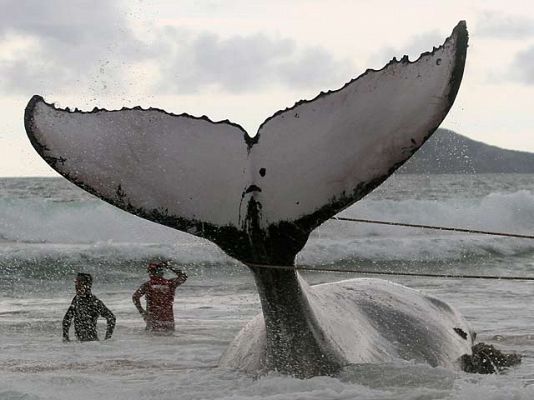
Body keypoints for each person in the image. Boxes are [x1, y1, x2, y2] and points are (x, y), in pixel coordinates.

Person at [132, 261, 187, 332]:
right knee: (169, 341)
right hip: (168, 321)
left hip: (153, 321)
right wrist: (169, 267)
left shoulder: (147, 285)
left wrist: (142, 312)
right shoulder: (170, 284)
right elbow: (183, 276)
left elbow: (135, 297)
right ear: (162, 272)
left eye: (150, 272)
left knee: (151, 340)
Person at [62, 273, 116, 342]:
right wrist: (65, 337)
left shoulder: (94, 302)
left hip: (91, 343)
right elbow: (67, 319)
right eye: (76, 282)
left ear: (88, 285)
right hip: (81, 343)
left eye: (79, 282)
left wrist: (107, 339)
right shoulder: (77, 299)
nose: (76, 285)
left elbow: (111, 318)